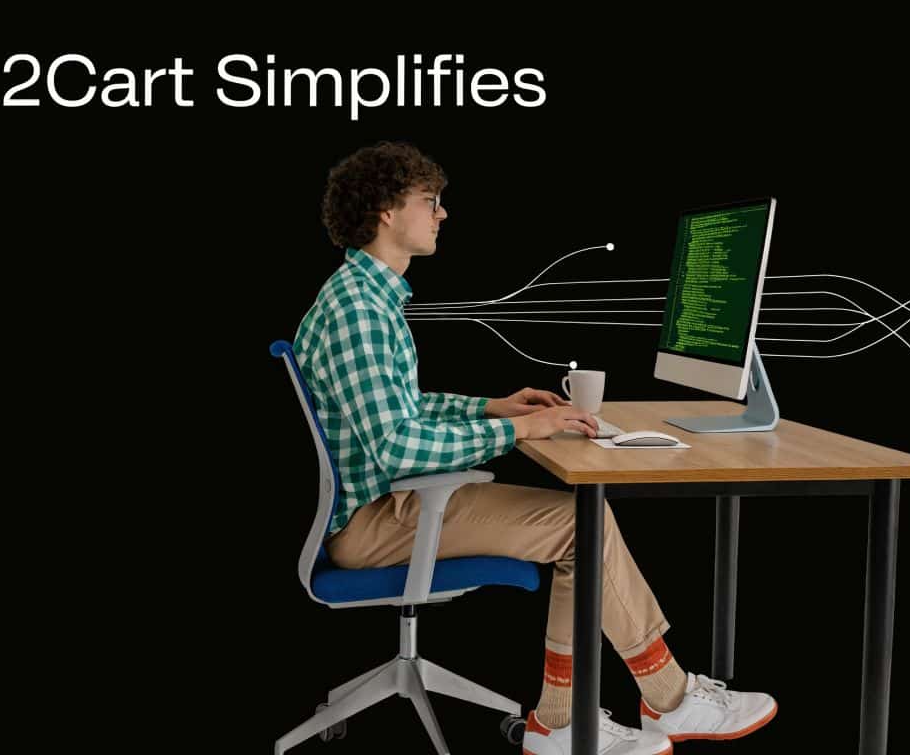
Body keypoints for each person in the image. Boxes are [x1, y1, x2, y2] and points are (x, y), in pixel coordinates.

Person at [291, 141, 777, 754]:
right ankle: (664, 699)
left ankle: (567, 718)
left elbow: (399, 405)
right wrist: (522, 430)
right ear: (386, 211)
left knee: (583, 522)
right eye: (429, 201)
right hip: (375, 520)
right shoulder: (358, 310)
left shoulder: (365, 298)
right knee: (581, 526)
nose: (442, 213)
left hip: (383, 508)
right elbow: (396, 445)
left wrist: (492, 407)